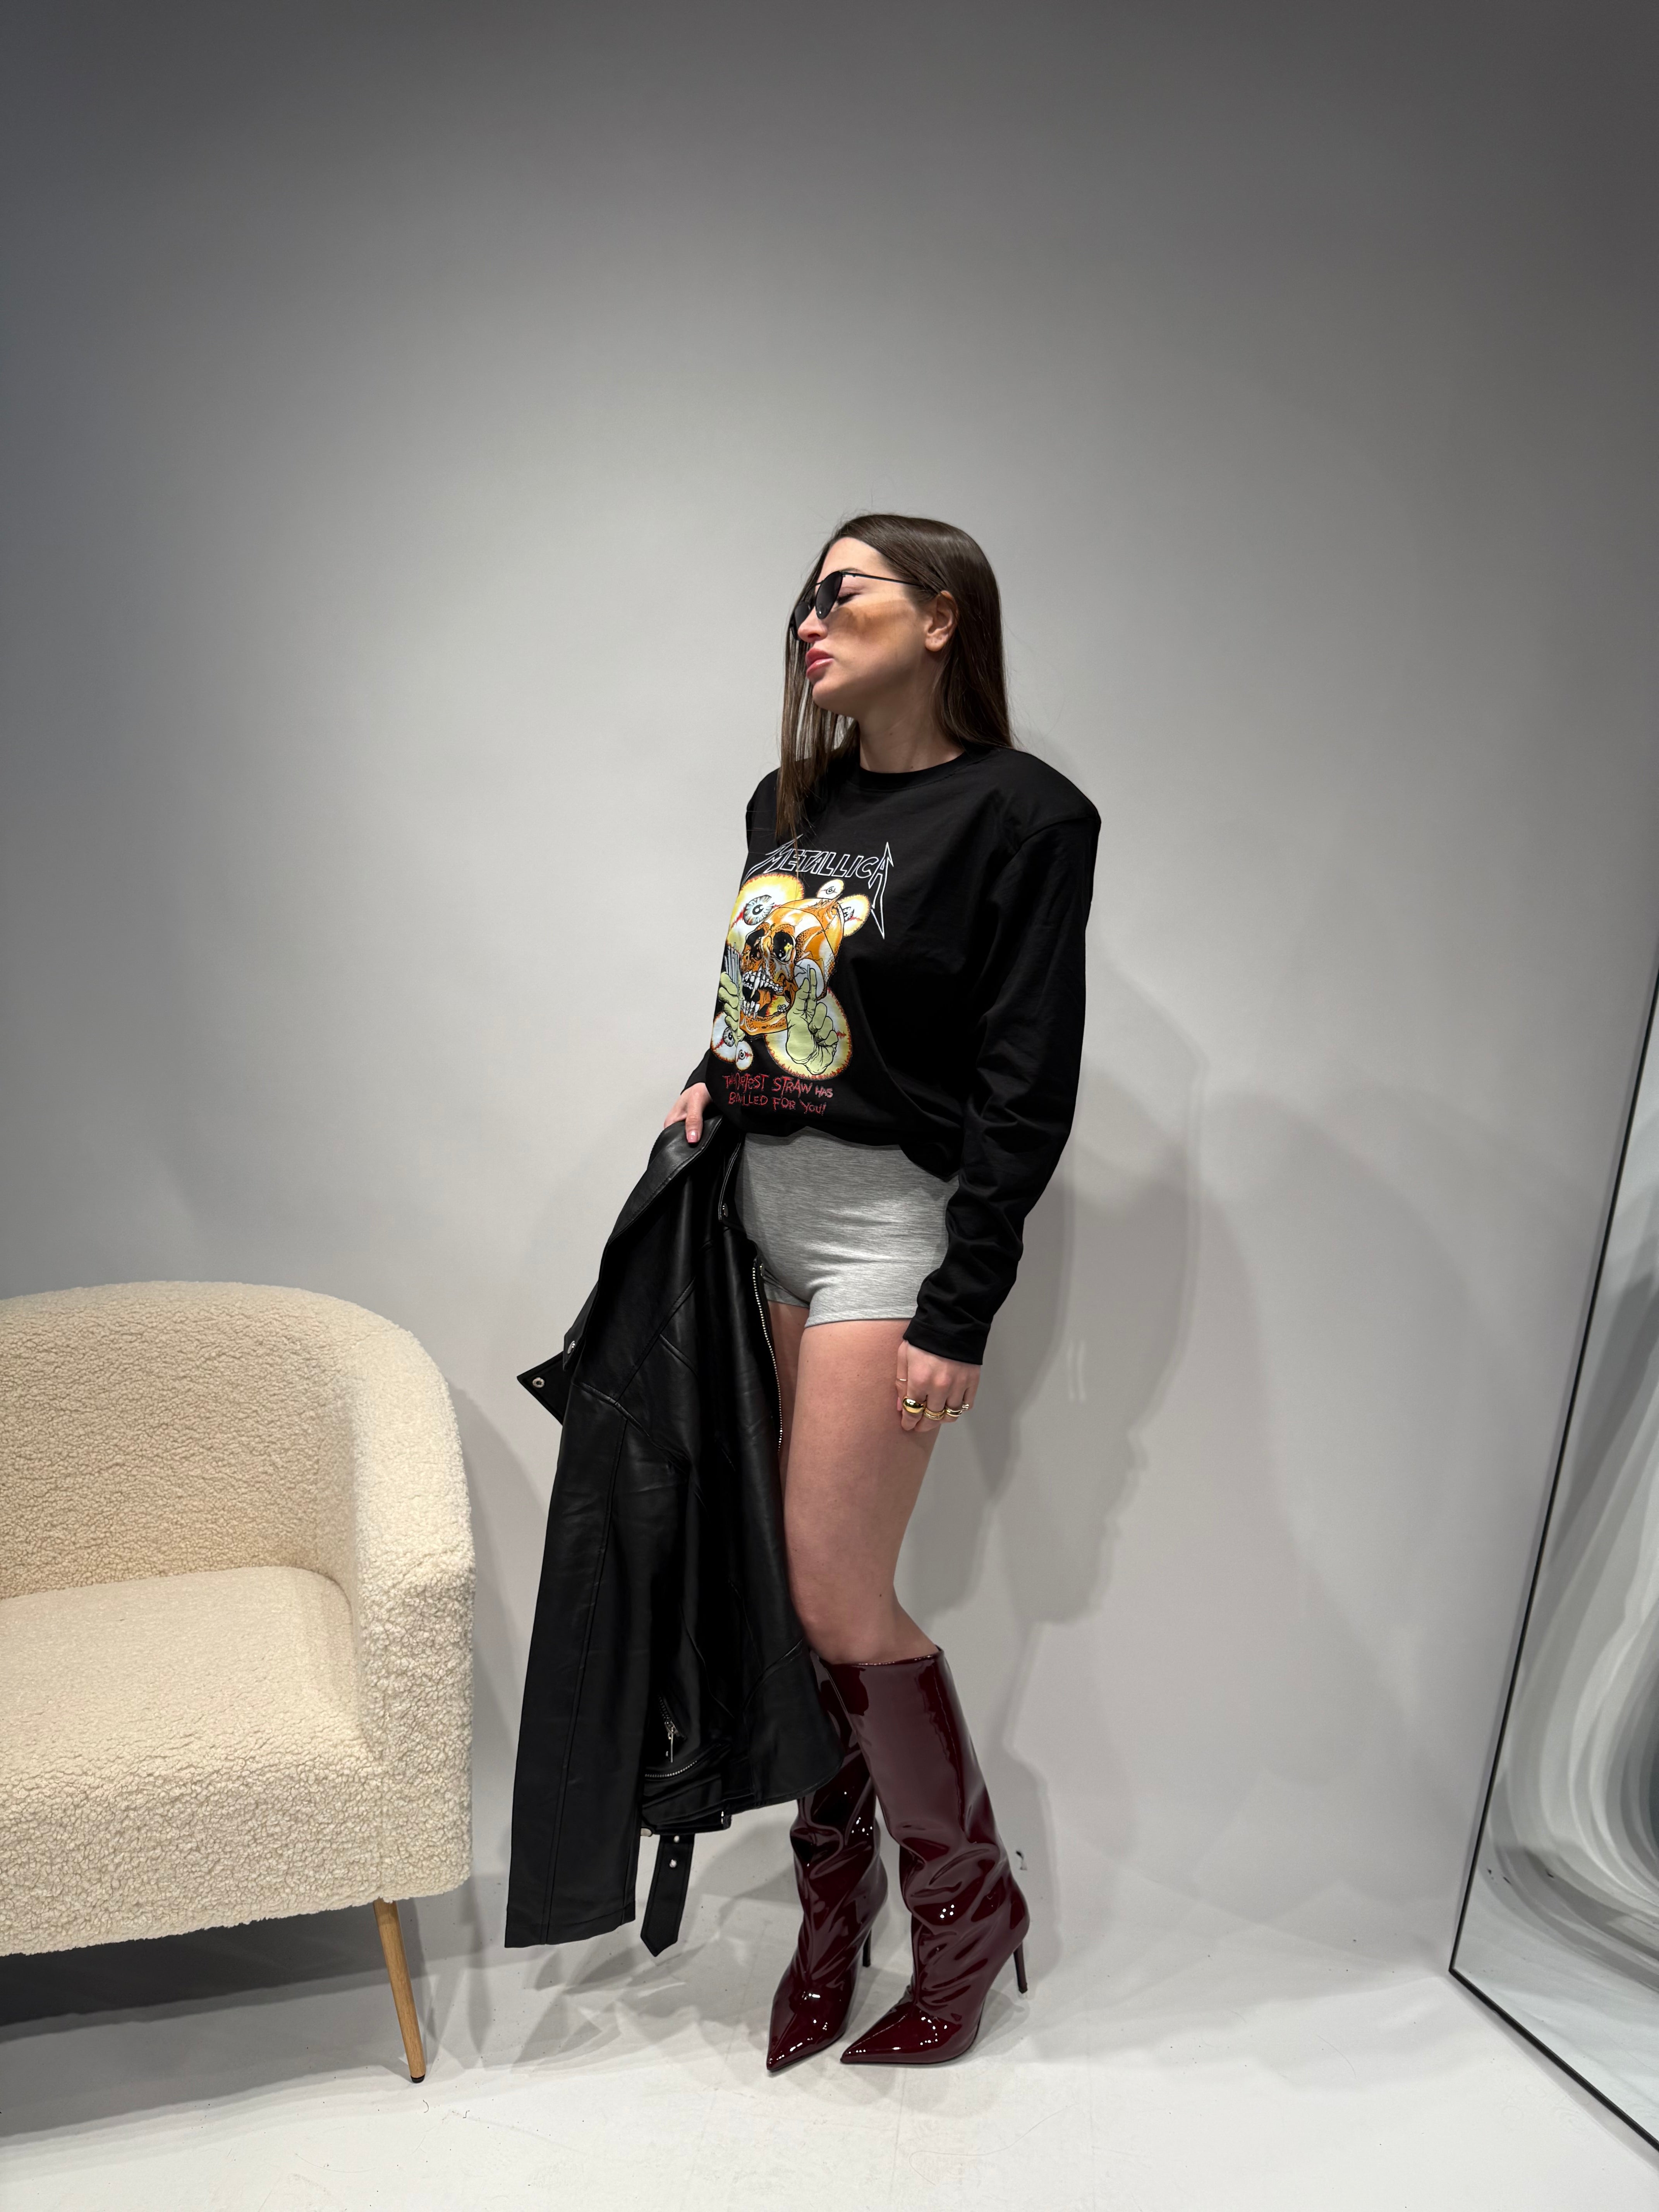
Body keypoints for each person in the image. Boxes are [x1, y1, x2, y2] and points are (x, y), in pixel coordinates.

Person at [664, 512, 1100, 2069]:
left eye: (840, 593)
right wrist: (713, 1073)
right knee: (798, 1598)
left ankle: (968, 1914)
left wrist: (958, 1306)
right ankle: (830, 1916)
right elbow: (776, 993)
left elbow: (1024, 1082)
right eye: (803, 598)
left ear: (940, 617)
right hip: (760, 1225)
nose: (808, 620)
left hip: (883, 1242)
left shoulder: (1025, 817)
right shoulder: (787, 802)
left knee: (839, 1595)